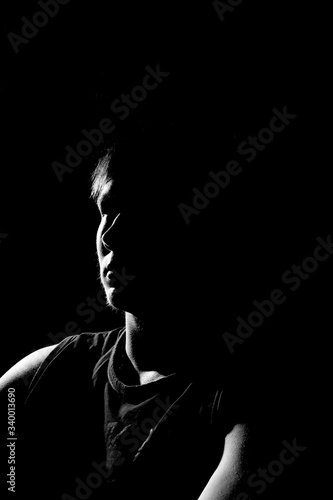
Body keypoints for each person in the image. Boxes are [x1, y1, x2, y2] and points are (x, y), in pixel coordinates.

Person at [0, 115, 284, 500]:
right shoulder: (59, 367)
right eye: (106, 210)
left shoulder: (241, 398)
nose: (112, 234)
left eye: (138, 213)